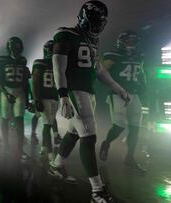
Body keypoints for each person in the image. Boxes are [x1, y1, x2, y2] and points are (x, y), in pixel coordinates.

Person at [48, 1, 131, 202]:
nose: (97, 26)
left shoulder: (92, 40)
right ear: (84, 17)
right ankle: (97, 190)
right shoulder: (65, 34)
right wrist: (63, 95)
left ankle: (56, 166)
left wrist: (118, 88)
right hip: (74, 91)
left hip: (88, 91)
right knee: (89, 137)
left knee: (75, 132)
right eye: (95, 21)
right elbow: (58, 68)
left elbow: (99, 70)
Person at [99, 30, 146, 173]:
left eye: (133, 42)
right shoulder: (112, 54)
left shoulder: (139, 55)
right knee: (119, 126)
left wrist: (143, 83)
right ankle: (106, 143)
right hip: (118, 94)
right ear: (122, 42)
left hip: (133, 94)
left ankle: (129, 157)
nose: (131, 45)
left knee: (135, 127)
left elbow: (141, 71)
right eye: (129, 41)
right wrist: (115, 87)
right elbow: (101, 72)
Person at [0, 37, 31, 160]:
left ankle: (20, 150)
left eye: (16, 47)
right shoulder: (1, 60)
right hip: (7, 90)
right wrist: (6, 93)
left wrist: (27, 98)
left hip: (19, 91)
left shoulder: (22, 60)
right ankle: (5, 146)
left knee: (19, 120)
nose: (14, 50)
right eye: (13, 47)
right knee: (5, 119)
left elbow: (25, 81)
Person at [32, 40, 62, 161]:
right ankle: (50, 154)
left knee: (49, 123)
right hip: (45, 97)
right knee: (47, 125)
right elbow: (35, 82)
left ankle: (44, 148)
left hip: (54, 97)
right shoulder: (41, 63)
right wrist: (37, 99)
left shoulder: (58, 64)